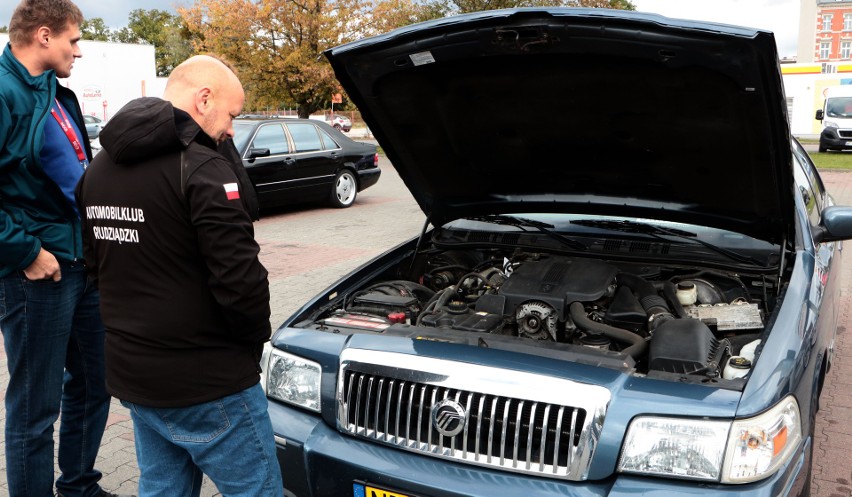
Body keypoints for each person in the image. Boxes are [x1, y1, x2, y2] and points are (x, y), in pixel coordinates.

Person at [75, 55, 283, 497]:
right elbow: (241, 284)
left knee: (163, 490)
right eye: (232, 115)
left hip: (136, 377)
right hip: (209, 382)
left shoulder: (97, 170)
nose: (231, 130)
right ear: (204, 99)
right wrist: (248, 353)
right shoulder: (202, 168)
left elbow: (95, 268)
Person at [0, 1, 125, 496]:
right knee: (35, 407)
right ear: (45, 35)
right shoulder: (4, 91)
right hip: (36, 273)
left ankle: (78, 486)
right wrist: (24, 251)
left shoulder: (58, 94)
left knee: (97, 383)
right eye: (74, 40)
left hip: (82, 264)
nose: (79, 50)